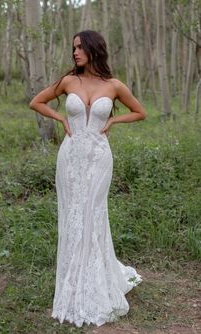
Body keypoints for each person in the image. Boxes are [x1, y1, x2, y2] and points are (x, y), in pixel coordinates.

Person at [29, 30, 146, 328]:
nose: (75, 52)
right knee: (73, 214)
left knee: (94, 213)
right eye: (73, 48)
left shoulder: (114, 85)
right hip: (71, 157)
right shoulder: (69, 81)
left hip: (99, 157)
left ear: (94, 49)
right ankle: (73, 279)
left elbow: (139, 112)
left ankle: (95, 279)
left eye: (80, 47)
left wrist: (113, 120)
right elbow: (36, 102)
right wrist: (62, 119)